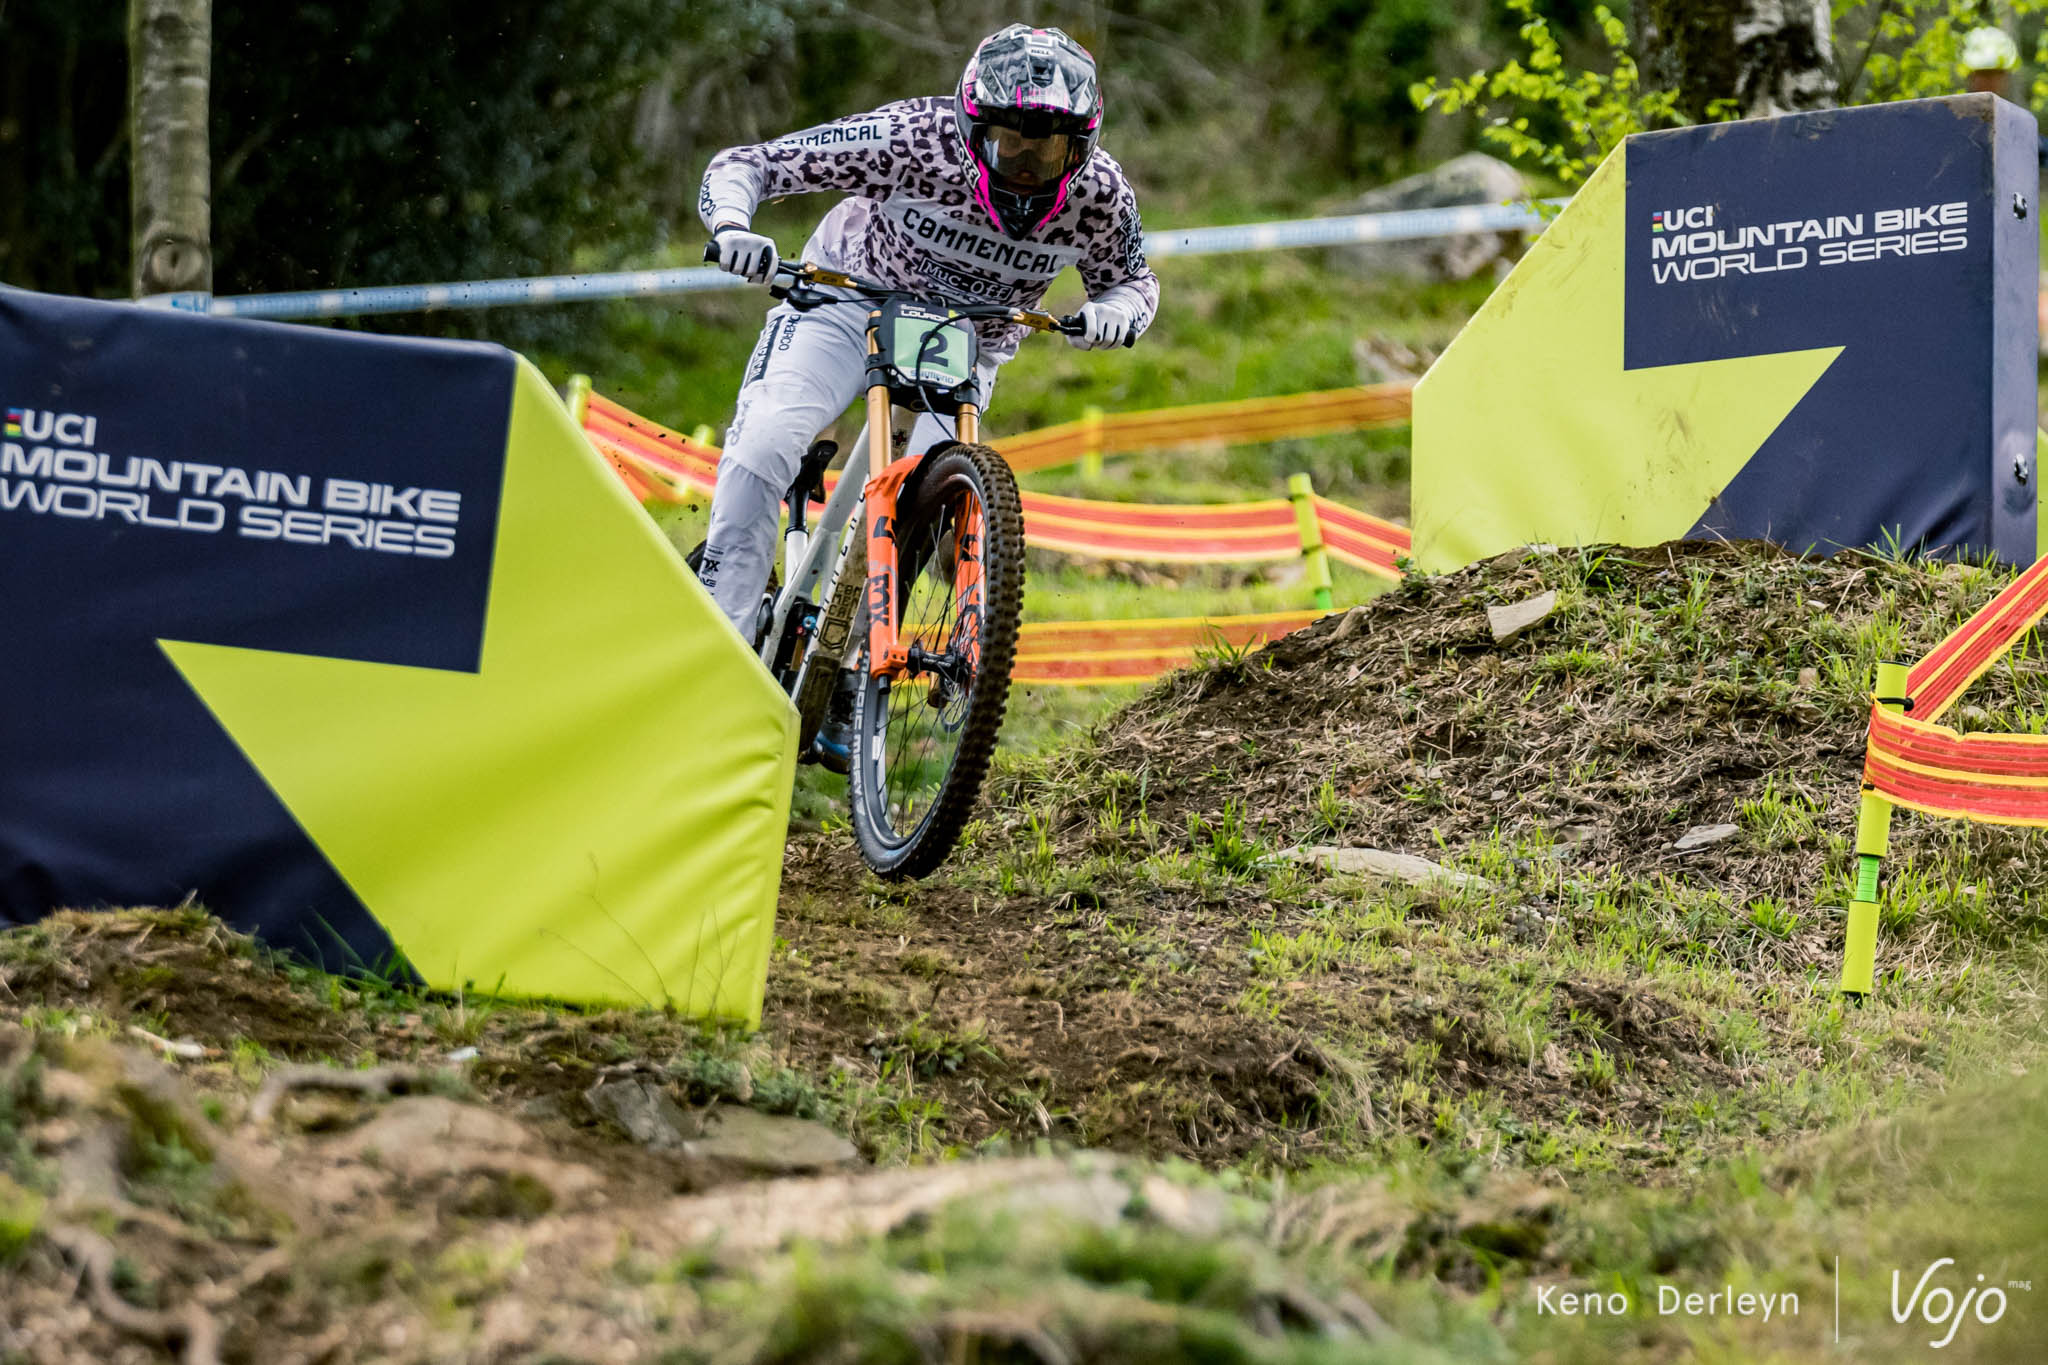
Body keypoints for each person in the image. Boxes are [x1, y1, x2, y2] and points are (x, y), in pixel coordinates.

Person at [695, 23, 1160, 770]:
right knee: (767, 443)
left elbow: (1135, 282)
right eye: (1011, 142)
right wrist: (733, 224)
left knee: (926, 493)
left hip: (966, 338)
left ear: (1085, 145)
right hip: (847, 300)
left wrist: (1115, 316)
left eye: (1052, 150)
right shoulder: (912, 136)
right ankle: (719, 636)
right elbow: (752, 164)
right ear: (973, 128)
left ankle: (852, 668)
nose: (1030, 165)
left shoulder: (1101, 196)